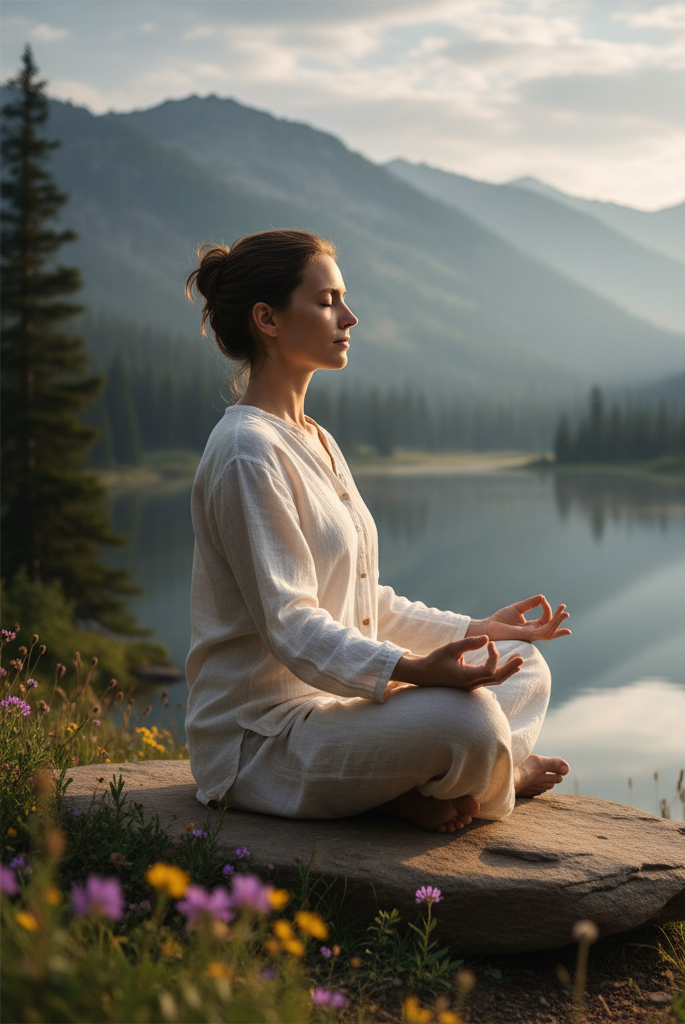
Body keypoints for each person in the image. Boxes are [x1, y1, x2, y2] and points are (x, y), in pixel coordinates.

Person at [183, 229, 571, 833]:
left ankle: (414, 784)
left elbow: (363, 604)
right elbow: (293, 624)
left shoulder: (315, 438)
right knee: (471, 723)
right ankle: (503, 780)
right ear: (268, 319)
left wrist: (476, 630)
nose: (350, 317)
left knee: (523, 661)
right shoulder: (246, 452)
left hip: (340, 711)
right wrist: (418, 671)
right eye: (327, 300)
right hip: (263, 740)